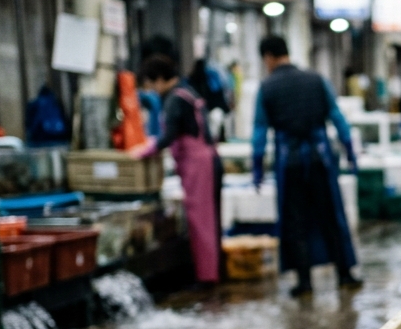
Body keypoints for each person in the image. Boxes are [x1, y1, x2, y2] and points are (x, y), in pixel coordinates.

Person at [250, 35, 360, 296]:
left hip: (290, 163)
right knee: (331, 216)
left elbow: (259, 131)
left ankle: (304, 281)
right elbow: (337, 116)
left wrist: (257, 167)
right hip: (320, 159)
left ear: (268, 57)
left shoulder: (267, 87)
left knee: (294, 222)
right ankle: (345, 274)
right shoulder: (316, 79)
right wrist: (350, 151)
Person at [130, 55, 223, 285]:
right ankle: (212, 272)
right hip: (206, 161)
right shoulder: (187, 91)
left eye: (152, 84)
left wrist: (146, 149)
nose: (152, 90)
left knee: (202, 222)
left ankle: (208, 278)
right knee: (210, 221)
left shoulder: (174, 99)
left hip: (198, 165)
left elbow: (169, 135)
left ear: (161, 79)